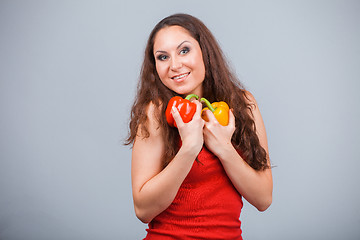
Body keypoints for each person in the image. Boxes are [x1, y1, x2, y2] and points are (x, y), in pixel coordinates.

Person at [126, 13, 273, 239]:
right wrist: (190, 148)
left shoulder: (244, 104)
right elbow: (143, 210)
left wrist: (224, 147)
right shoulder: (155, 113)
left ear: (205, 51)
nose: (175, 65)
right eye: (163, 57)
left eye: (184, 50)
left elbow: (263, 199)